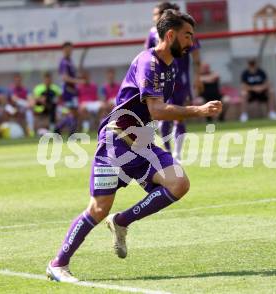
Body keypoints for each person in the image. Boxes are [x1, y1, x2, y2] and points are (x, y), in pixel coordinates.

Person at [46, 9, 222, 283]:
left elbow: (156, 111)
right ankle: (58, 264)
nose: (191, 42)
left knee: (179, 183)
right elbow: (158, 109)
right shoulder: (148, 62)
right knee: (98, 208)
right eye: (188, 36)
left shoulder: (170, 67)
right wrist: (198, 111)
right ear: (171, 34)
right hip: (116, 142)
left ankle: (122, 221)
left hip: (141, 142)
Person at [146, 1, 202, 162]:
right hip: (161, 79)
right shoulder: (152, 33)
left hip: (180, 80)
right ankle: (168, 152)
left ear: (164, 14)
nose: (154, 17)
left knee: (179, 115)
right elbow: (147, 55)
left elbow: (196, 54)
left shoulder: (182, 30)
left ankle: (177, 153)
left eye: (156, 14)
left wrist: (197, 77)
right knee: (163, 115)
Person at [55, 41, 84, 135]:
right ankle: (61, 129)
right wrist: (78, 81)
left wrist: (77, 77)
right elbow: (65, 78)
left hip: (72, 91)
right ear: (63, 50)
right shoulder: (64, 62)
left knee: (75, 113)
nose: (70, 51)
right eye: (68, 49)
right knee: (73, 112)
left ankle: (61, 129)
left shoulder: (70, 61)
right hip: (68, 90)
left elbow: (71, 75)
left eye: (71, 49)